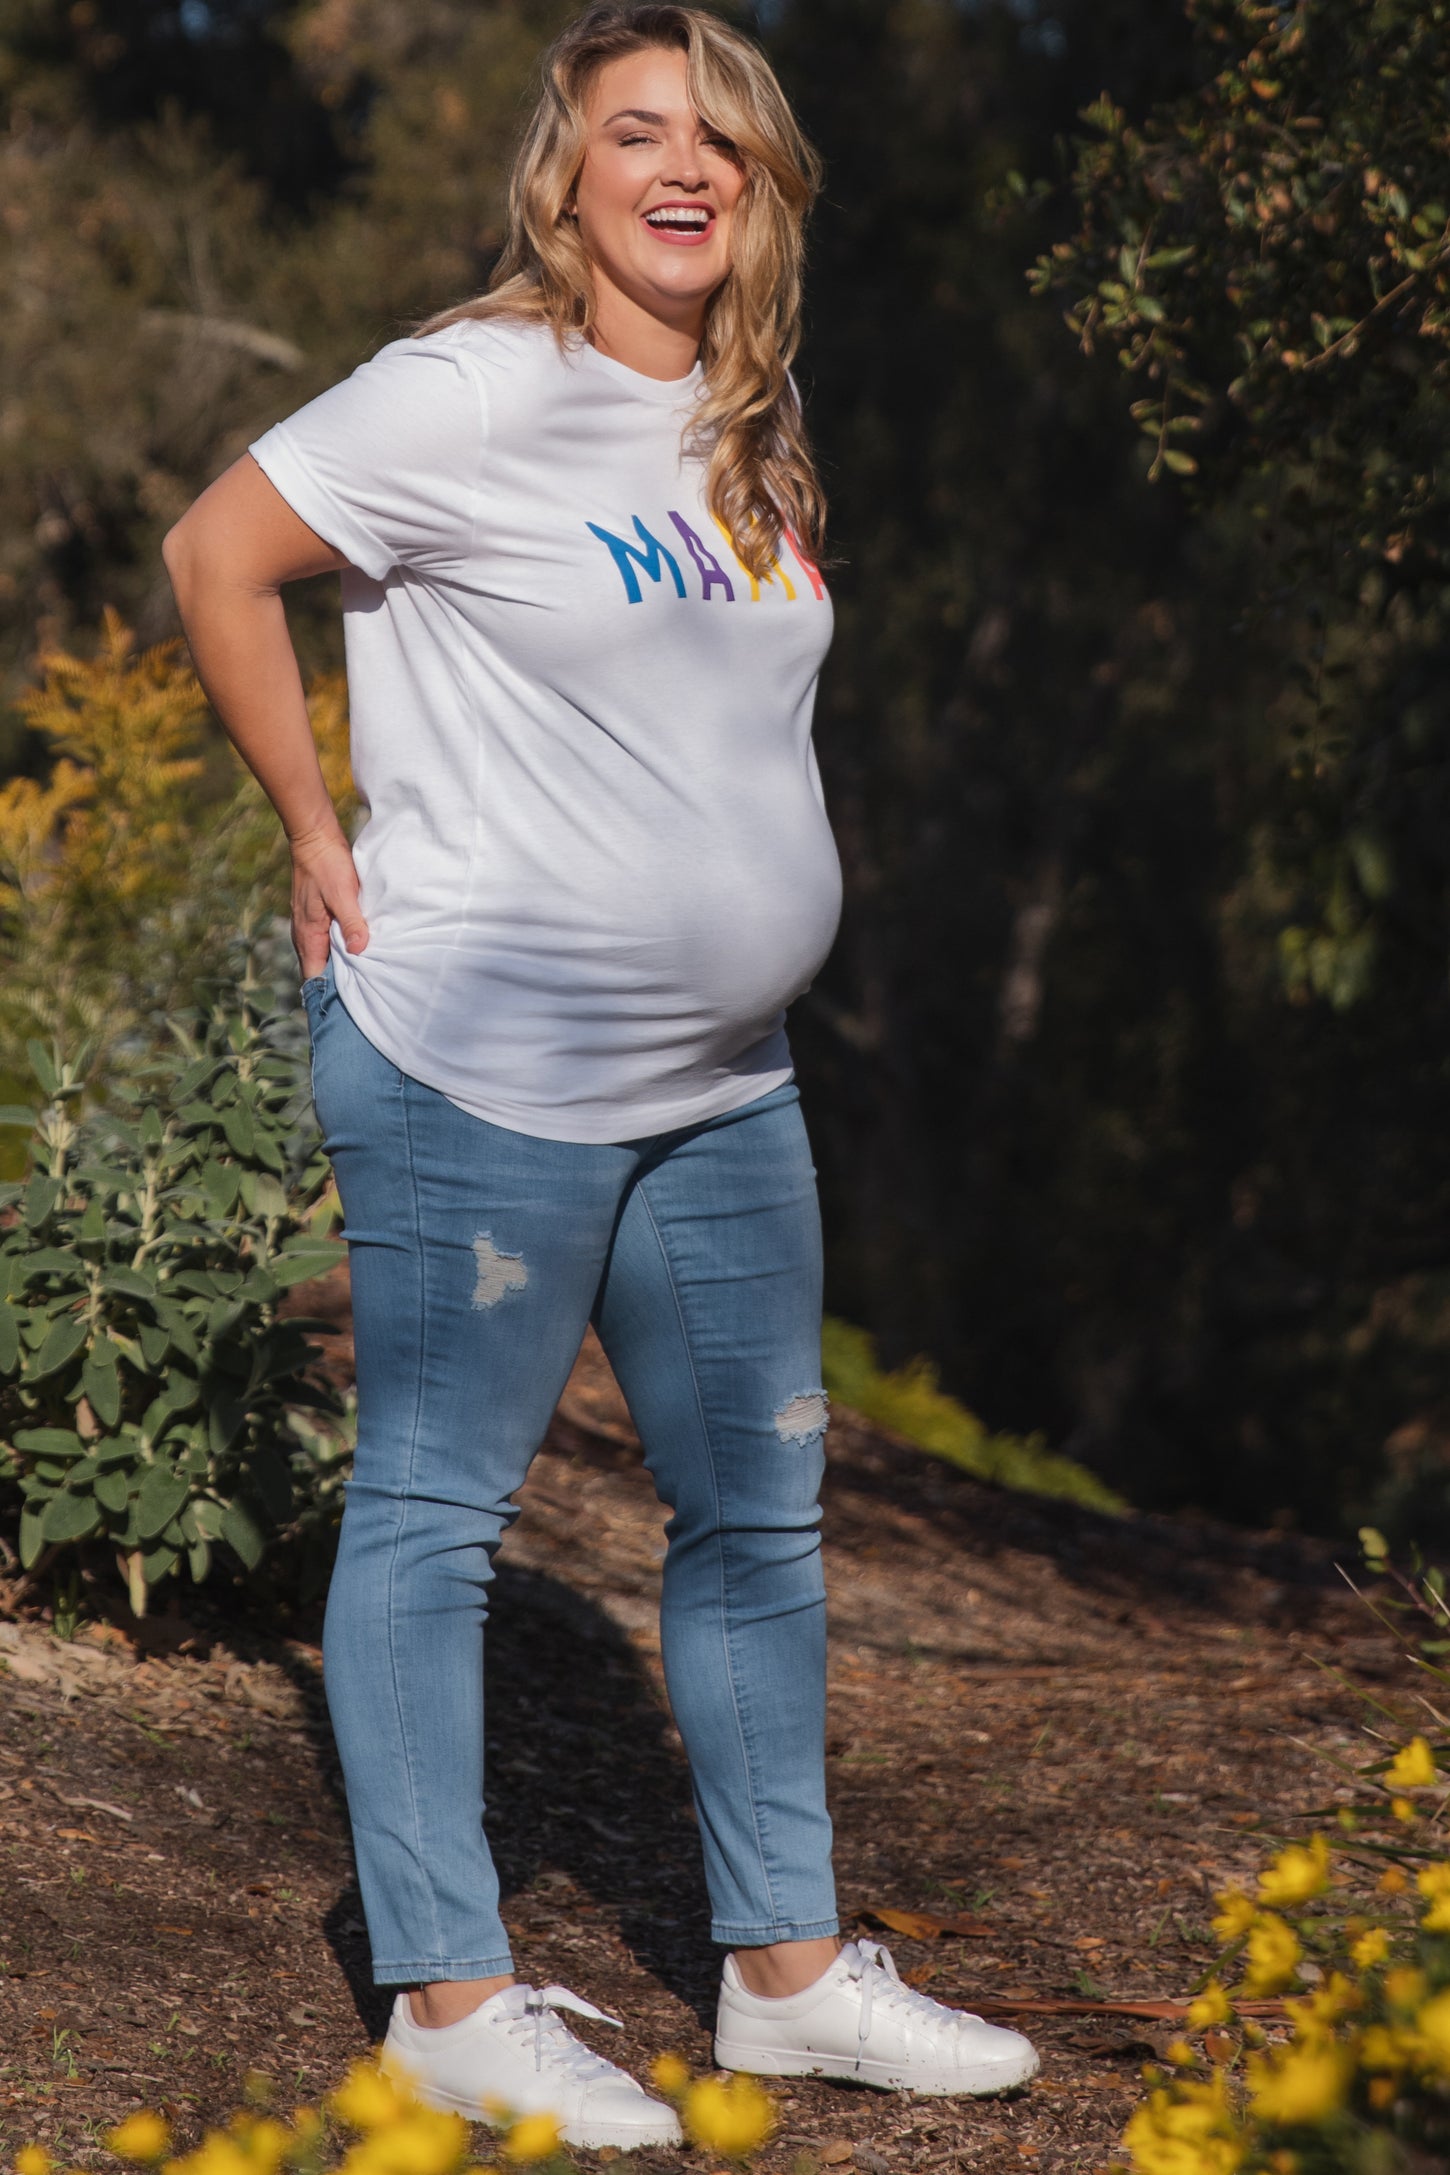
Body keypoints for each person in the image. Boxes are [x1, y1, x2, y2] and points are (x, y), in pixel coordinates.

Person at [162, 1, 1039, 2150]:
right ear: (562, 176)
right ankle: (448, 1996)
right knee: (437, 1514)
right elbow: (214, 552)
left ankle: (785, 1975)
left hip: (722, 1077)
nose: (685, 166)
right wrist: (311, 823)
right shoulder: (468, 389)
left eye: (719, 136)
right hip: (480, 1061)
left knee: (760, 1510)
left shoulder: (748, 412)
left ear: (762, 186)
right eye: (637, 131)